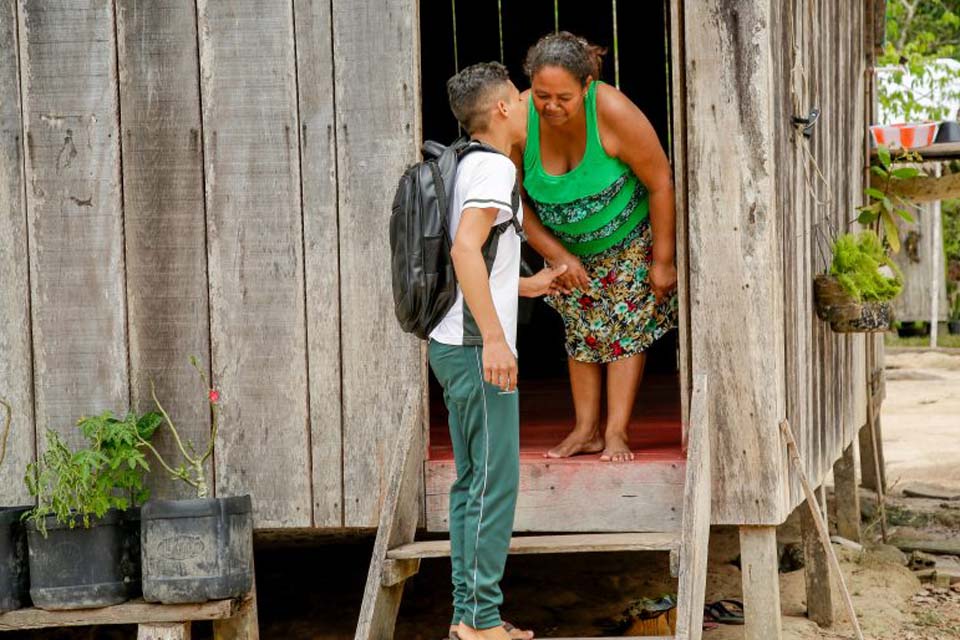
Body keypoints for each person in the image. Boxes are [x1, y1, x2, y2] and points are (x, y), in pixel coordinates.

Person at [430, 61, 566, 640]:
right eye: (521, 95)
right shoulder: (491, 170)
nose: (531, 104)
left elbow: (482, 260)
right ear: (503, 109)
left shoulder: (464, 163)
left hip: (450, 343)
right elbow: (465, 251)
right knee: (495, 481)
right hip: (472, 347)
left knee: (472, 482)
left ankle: (469, 617)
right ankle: (483, 622)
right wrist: (493, 339)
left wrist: (528, 285)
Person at [513, 32, 678, 462]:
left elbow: (660, 183)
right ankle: (585, 429)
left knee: (624, 330)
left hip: (628, 239)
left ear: (586, 86)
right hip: (564, 248)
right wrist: (557, 255)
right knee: (581, 331)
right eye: (542, 94)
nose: (550, 106)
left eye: (563, 97)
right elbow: (510, 202)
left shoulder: (612, 110)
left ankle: (616, 431)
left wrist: (662, 261)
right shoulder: (520, 115)